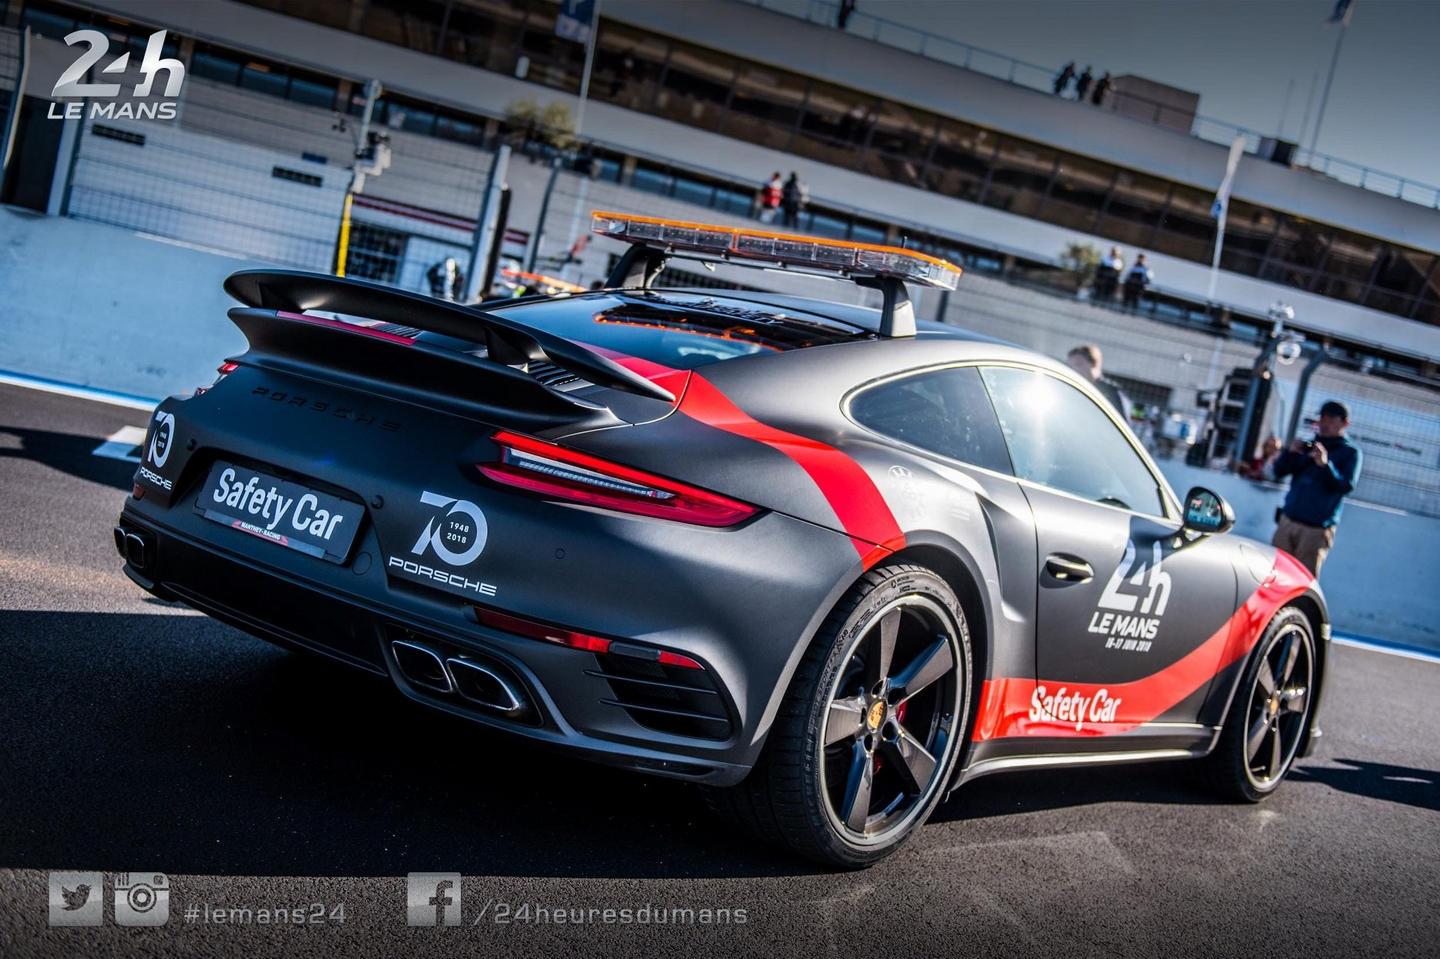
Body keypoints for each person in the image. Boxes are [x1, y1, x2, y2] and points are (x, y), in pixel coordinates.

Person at [1271, 400, 1362, 576]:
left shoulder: (1350, 452)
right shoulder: (1309, 446)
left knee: (1303, 579)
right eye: (1322, 419)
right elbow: (1279, 471)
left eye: (1330, 419)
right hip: (1288, 521)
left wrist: (1325, 465)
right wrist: (1290, 453)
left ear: (1344, 423)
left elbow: (1345, 486)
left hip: (1315, 530)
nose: (1324, 424)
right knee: (1275, 574)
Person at [1066, 344, 1131, 419]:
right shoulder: (1073, 390)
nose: (1074, 370)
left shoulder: (1112, 392)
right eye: (1071, 366)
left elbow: (1122, 424)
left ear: (1094, 363)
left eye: (1078, 364)